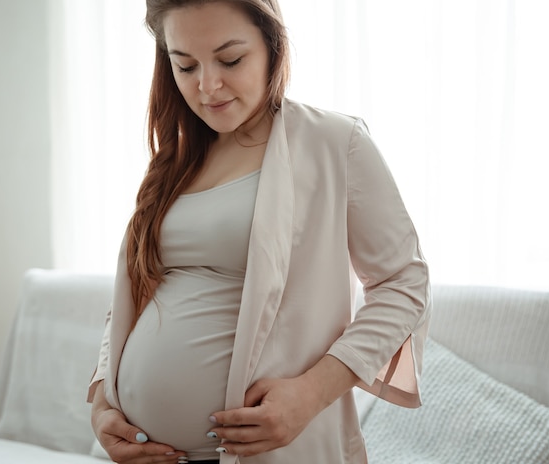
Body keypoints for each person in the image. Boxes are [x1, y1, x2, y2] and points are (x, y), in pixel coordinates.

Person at [88, 0, 431, 463]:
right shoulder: (174, 162)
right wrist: (104, 404)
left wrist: (311, 393)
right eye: (185, 65)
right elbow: (133, 297)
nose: (208, 86)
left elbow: (403, 284)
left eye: (230, 60)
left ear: (273, 47)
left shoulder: (334, 143)